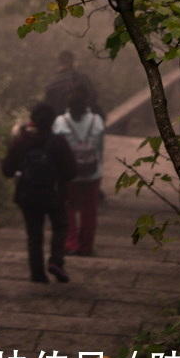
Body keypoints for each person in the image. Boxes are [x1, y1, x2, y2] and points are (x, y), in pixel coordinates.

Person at [1, 101, 77, 283]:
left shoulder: (22, 141)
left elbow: (7, 170)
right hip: (54, 194)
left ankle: (37, 274)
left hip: (27, 195)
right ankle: (56, 261)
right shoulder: (58, 142)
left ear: (32, 119)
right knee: (60, 226)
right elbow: (71, 172)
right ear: (53, 121)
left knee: (34, 235)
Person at [53, 83, 104, 256]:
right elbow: (100, 149)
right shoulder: (97, 121)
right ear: (86, 104)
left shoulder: (60, 122)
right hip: (92, 173)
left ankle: (71, 243)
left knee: (68, 208)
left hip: (68, 174)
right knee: (89, 211)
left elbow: (56, 149)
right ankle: (86, 246)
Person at [44, 49, 102, 118]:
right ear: (73, 62)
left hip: (61, 123)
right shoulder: (82, 78)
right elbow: (93, 97)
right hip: (83, 120)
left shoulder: (51, 84)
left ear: (59, 63)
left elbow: (49, 108)